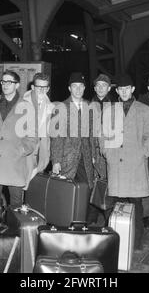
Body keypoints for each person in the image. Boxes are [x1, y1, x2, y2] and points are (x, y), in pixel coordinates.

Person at [100, 74, 149, 250]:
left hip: (136, 164)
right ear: (117, 91)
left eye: (127, 88)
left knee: (136, 206)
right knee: (112, 206)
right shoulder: (109, 110)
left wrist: (144, 152)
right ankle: (114, 242)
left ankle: (136, 242)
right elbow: (102, 136)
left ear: (132, 90)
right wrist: (106, 153)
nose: (124, 92)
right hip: (115, 164)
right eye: (121, 89)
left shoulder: (145, 110)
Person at [0, 70, 38, 221]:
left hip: (15, 163)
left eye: (9, 82)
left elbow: (32, 138)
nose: (5, 85)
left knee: (16, 205)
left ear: (17, 85)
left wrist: (20, 150)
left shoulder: (27, 107)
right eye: (3, 82)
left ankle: (13, 239)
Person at [50, 72, 97, 224]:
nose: (78, 89)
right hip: (67, 158)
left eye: (81, 86)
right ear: (69, 88)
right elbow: (57, 137)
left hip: (86, 159)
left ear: (84, 88)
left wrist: (95, 156)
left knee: (86, 192)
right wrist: (56, 161)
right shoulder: (61, 107)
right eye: (74, 86)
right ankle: (63, 224)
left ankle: (80, 225)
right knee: (65, 193)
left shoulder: (90, 107)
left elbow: (93, 134)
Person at [22, 72, 54, 186]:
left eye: (44, 87)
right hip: (24, 156)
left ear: (48, 88)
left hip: (41, 158)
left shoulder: (50, 107)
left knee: (34, 194)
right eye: (39, 87)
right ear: (32, 87)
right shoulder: (21, 104)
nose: (42, 90)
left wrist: (46, 156)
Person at [91, 74, 114, 225]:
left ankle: (109, 220)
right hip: (92, 151)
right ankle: (91, 218)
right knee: (93, 184)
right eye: (98, 85)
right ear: (94, 88)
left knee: (108, 184)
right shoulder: (88, 105)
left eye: (104, 85)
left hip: (109, 151)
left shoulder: (115, 106)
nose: (100, 88)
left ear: (109, 88)